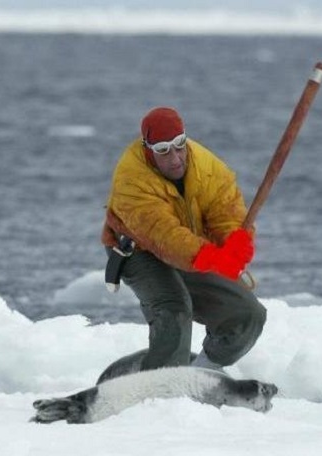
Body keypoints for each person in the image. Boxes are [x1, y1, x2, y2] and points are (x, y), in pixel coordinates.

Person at [101, 106, 266, 374]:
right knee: (174, 310)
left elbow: (225, 212)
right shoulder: (131, 179)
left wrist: (236, 241)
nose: (175, 158)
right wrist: (213, 257)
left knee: (247, 314)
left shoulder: (210, 168)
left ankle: (201, 373)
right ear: (147, 149)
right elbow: (164, 236)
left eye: (179, 145)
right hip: (139, 252)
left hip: (192, 251)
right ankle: (160, 390)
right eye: (163, 150)